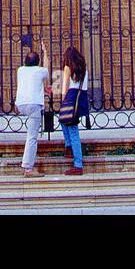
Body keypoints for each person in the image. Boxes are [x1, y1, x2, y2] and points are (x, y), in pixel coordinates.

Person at [14, 41, 50, 176]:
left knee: (30, 134)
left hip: (21, 104)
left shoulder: (20, 70)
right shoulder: (40, 71)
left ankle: (27, 165)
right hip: (34, 104)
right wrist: (45, 52)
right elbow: (46, 68)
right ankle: (28, 168)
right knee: (32, 137)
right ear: (38, 62)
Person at [59, 45, 88, 176]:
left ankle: (78, 165)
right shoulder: (84, 69)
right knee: (64, 122)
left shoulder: (67, 68)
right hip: (81, 98)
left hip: (70, 98)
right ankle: (68, 146)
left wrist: (62, 100)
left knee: (73, 131)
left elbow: (65, 88)